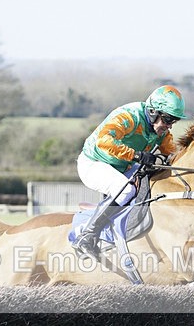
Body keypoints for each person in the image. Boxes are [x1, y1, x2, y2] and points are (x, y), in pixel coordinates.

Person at [72, 85, 187, 259]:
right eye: (167, 120)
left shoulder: (161, 130)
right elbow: (104, 141)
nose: (169, 126)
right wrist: (136, 155)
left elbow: (171, 153)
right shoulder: (129, 116)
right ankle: (87, 237)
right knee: (126, 190)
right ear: (153, 112)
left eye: (173, 121)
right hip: (93, 163)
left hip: (122, 167)